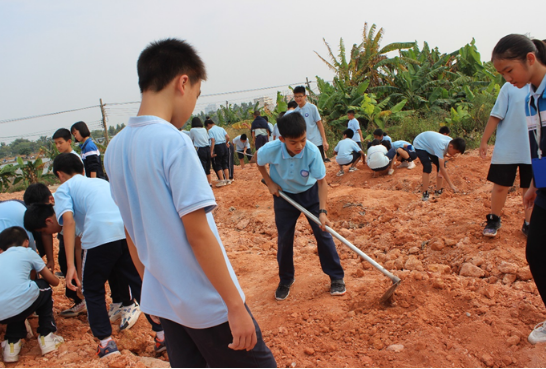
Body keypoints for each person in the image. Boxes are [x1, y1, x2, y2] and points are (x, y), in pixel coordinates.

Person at [104, 38, 276, 368]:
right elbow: (198, 234)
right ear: (183, 82)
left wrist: (149, 290)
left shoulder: (116, 148)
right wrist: (235, 305)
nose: (193, 107)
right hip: (207, 303)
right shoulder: (173, 142)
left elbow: (131, 232)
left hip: (167, 301)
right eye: (196, 95)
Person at [26, 153, 165, 358]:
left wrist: (71, 266)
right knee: (137, 283)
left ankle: (106, 343)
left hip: (100, 235)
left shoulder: (64, 189)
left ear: (59, 175)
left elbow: (69, 222)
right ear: (81, 168)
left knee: (92, 290)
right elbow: (81, 237)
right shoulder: (99, 182)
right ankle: (163, 334)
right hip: (126, 232)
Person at [492, 34, 546, 344]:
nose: (507, 79)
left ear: (529, 58)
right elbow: (539, 148)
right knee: (536, 251)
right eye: (502, 74)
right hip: (545, 184)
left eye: (509, 71)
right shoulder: (529, 98)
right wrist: (535, 184)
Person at [257, 111, 345, 301]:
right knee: (284, 239)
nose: (300, 146)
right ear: (282, 139)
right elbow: (259, 161)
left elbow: (322, 182)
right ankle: (286, 279)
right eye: (293, 142)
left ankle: (336, 277)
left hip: (310, 193)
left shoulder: (312, 152)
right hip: (284, 197)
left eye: (303, 140)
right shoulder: (270, 149)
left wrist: (322, 211)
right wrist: (270, 182)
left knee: (323, 233)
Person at [0, 226, 64, 363]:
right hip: (20, 300)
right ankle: (47, 336)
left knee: (16, 299)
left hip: (1, 315)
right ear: (26, 242)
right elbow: (53, 282)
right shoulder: (28, 252)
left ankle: (12, 344)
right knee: (43, 287)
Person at [23, 183, 87, 318]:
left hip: (86, 238)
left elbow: (78, 249)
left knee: (82, 265)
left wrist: (79, 276)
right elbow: (46, 234)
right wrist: (51, 260)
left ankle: (87, 297)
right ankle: (80, 298)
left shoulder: (65, 212)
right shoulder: (50, 219)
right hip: (72, 237)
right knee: (64, 260)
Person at [479, 81, 532, 237]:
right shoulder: (510, 86)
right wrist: (484, 140)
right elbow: (496, 115)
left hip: (536, 150)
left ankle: (530, 224)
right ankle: (494, 219)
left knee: (532, 188)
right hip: (507, 148)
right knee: (501, 186)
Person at [413, 131, 466, 201]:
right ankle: (425, 193)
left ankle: (438, 191)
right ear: (451, 147)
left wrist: (441, 169)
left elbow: (442, 160)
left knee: (440, 166)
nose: (455, 154)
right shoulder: (441, 146)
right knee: (427, 166)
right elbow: (442, 167)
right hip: (420, 144)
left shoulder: (450, 141)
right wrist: (452, 185)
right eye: (456, 152)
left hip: (430, 146)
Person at [293, 86, 330, 162]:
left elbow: (319, 124)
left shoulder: (312, 108)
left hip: (316, 142)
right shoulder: (295, 112)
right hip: (304, 144)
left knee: (319, 165)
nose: (298, 99)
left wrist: (324, 140)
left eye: (300, 96)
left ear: (305, 96)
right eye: (296, 97)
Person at [206, 119, 231, 187]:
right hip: (224, 145)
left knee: (218, 163)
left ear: (208, 124)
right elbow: (228, 137)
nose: (207, 128)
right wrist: (226, 143)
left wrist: (211, 151)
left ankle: (222, 180)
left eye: (207, 127)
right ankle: (228, 180)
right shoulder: (221, 128)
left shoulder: (211, 130)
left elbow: (213, 140)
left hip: (218, 147)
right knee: (224, 163)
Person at [189, 117, 212, 186]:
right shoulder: (204, 129)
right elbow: (208, 138)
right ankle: (210, 183)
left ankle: (203, 184)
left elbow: (190, 140)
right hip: (207, 148)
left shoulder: (192, 130)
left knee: (202, 167)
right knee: (208, 167)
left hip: (200, 149)